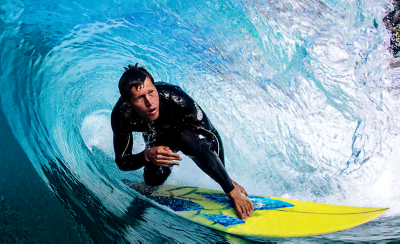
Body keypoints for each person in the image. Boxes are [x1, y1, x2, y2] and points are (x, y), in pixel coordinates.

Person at [111, 64, 254, 219]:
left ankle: (231, 189)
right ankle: (148, 187)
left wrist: (227, 182)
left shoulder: (177, 98)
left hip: (185, 134)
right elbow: (122, 162)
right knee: (154, 179)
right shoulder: (122, 116)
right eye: (140, 98)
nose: (150, 102)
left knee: (184, 138)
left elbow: (211, 136)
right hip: (156, 139)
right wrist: (147, 155)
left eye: (151, 92)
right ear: (128, 103)